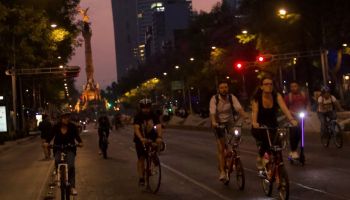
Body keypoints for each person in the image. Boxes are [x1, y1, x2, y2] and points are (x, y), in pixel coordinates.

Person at [251, 76, 298, 172]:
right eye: (266, 84)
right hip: (260, 126)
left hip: (273, 124)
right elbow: (255, 112)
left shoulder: (277, 95)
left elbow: (285, 109)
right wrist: (254, 122)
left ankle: (280, 168)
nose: (269, 86)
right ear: (261, 87)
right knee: (267, 141)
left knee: (278, 145)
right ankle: (260, 156)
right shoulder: (257, 98)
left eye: (271, 84)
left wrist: (292, 119)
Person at [209, 80, 249, 181]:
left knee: (236, 137)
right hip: (218, 124)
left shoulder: (231, 97)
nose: (224, 89)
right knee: (221, 148)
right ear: (218, 89)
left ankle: (233, 156)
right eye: (222, 88)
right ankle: (222, 172)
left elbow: (239, 109)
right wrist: (214, 122)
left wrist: (246, 118)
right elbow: (212, 112)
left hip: (230, 122)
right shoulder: (214, 99)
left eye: (226, 87)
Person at [45, 111, 83, 195]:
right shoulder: (56, 127)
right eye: (65, 117)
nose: (67, 119)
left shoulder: (72, 127)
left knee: (71, 165)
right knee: (57, 160)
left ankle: (72, 187)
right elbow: (50, 135)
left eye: (68, 117)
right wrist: (47, 142)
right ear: (61, 118)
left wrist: (80, 142)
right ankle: (57, 173)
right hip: (58, 148)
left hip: (70, 148)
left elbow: (77, 136)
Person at [133, 98, 163, 186]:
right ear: (141, 107)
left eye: (147, 107)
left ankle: (154, 157)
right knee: (141, 158)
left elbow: (159, 126)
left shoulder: (153, 115)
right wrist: (141, 138)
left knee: (156, 144)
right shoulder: (138, 116)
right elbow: (136, 128)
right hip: (140, 138)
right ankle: (141, 178)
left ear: (150, 107)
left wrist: (159, 137)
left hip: (151, 136)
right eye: (143, 107)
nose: (146, 109)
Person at [284, 81, 310, 159]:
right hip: (292, 118)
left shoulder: (303, 95)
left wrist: (308, 112)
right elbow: (285, 108)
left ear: (298, 86)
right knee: (293, 134)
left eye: (295, 86)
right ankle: (293, 151)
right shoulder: (288, 96)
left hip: (301, 117)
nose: (294, 88)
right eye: (292, 86)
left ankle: (300, 151)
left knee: (300, 134)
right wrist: (292, 113)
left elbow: (307, 104)